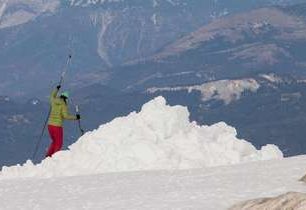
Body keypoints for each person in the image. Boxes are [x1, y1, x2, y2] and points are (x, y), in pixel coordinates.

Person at [46, 85, 80, 157]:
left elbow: (52, 96)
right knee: (59, 143)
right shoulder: (63, 105)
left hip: (49, 125)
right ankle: (54, 158)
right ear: (66, 98)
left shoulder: (54, 101)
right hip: (57, 126)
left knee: (54, 141)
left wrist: (56, 89)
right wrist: (76, 117)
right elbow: (65, 116)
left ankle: (48, 156)